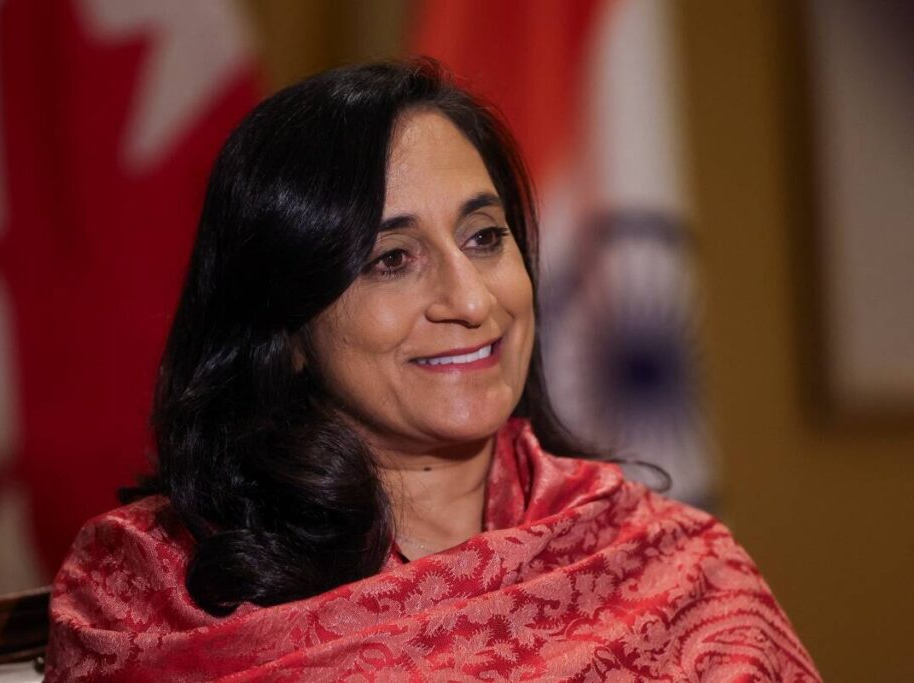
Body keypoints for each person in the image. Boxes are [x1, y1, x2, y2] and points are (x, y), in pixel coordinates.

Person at [45, 60, 819, 682]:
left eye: (484, 238)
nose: (472, 300)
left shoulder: (670, 566)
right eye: (393, 259)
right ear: (286, 329)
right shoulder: (149, 589)